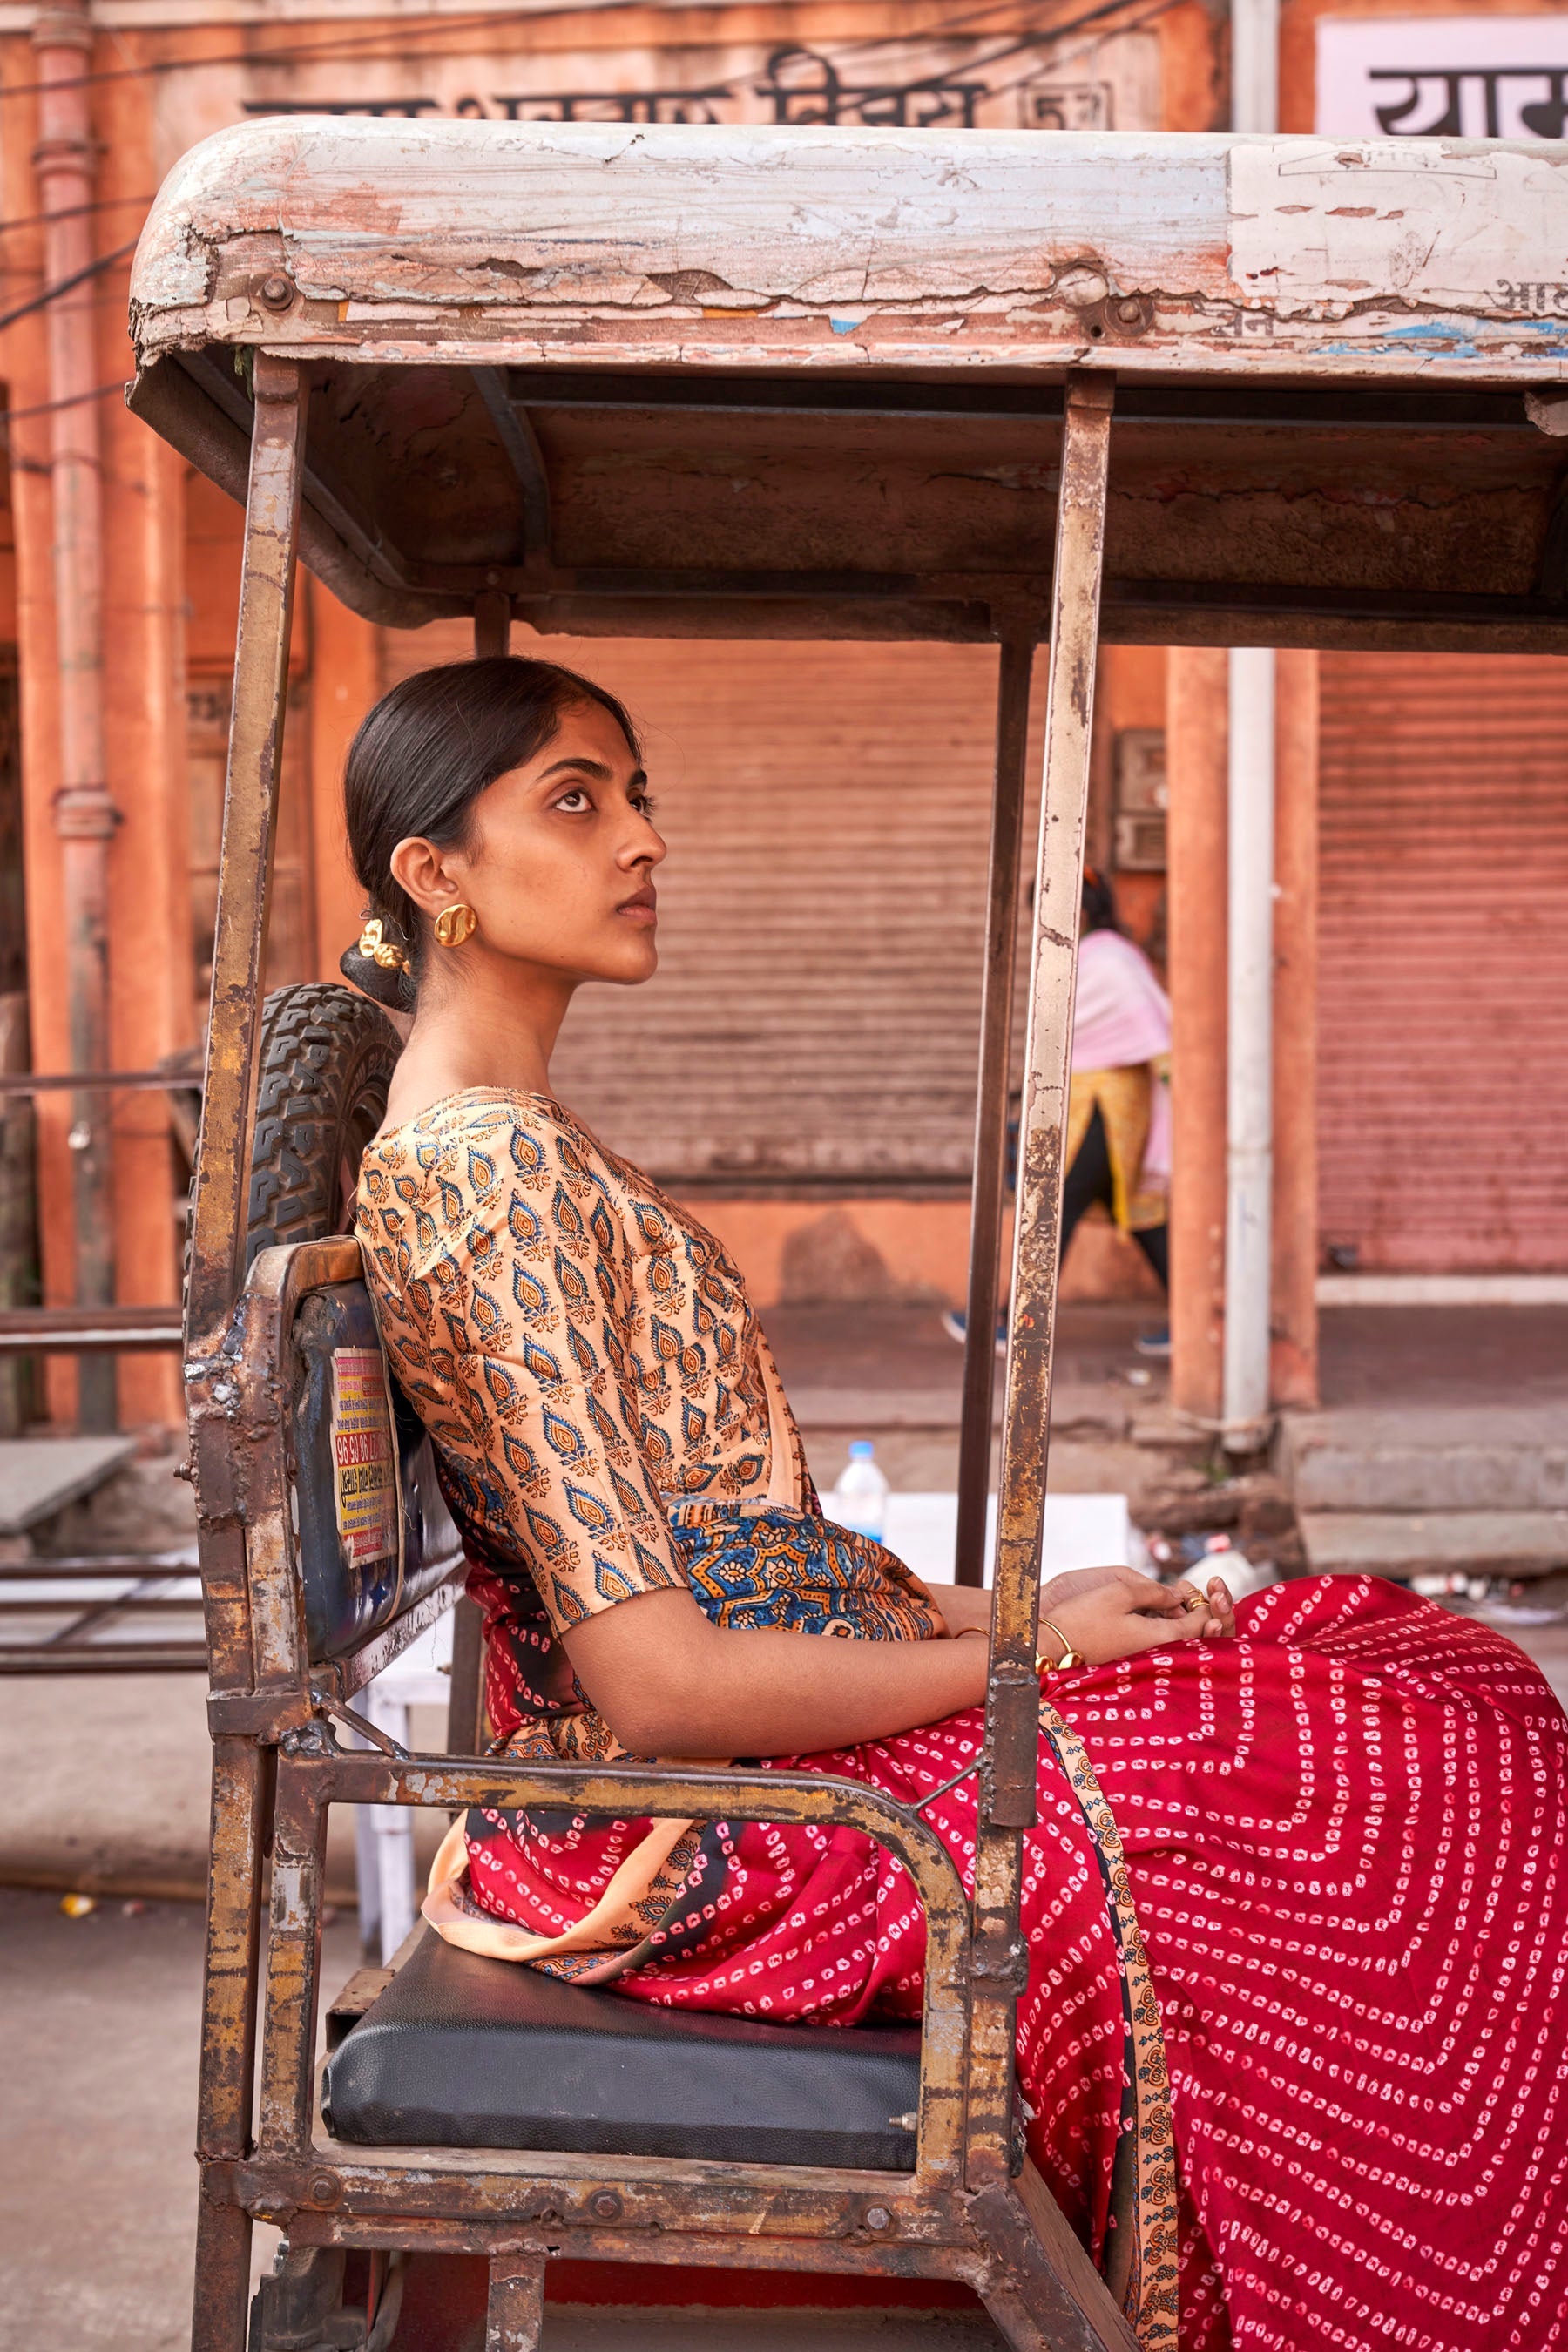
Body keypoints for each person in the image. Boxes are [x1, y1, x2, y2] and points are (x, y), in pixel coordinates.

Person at [345, 658, 1568, 2352]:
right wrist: (1031, 1662)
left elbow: (752, 1570)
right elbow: (663, 1683)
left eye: (637, 794)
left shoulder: (527, 1146)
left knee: (1394, 1659)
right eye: (576, 799)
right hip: (691, 1827)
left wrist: (1028, 1619)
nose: (641, 838)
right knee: (1390, 1774)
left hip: (764, 1745)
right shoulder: (480, 1178)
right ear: (434, 872)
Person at [943, 865, 1171, 1356]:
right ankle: (1203, 1324)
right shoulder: (1094, 955)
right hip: (1097, 1108)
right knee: (1140, 1215)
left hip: (1101, 1110)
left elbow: (1150, 1026)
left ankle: (1011, 1323)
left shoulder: (1107, 959)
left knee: (1051, 1208)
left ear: (1080, 910)